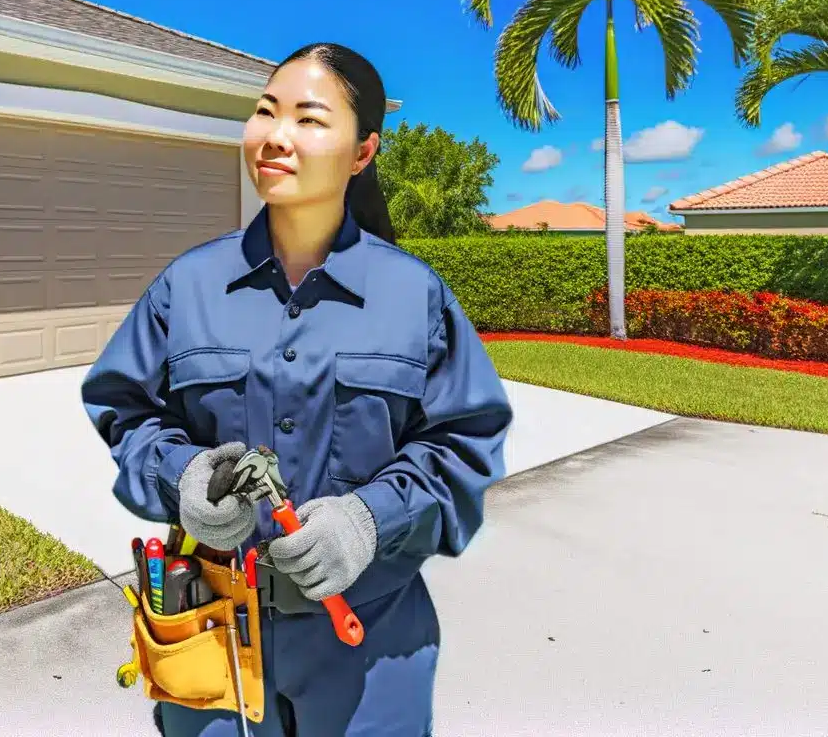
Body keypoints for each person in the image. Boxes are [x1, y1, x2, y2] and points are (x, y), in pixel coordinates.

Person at [81, 42, 513, 737]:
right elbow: (124, 411)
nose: (276, 135)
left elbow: (463, 447)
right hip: (210, 638)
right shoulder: (186, 286)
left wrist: (369, 519)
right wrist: (181, 476)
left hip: (366, 647)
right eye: (264, 112)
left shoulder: (415, 295)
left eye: (310, 119)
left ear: (362, 152)